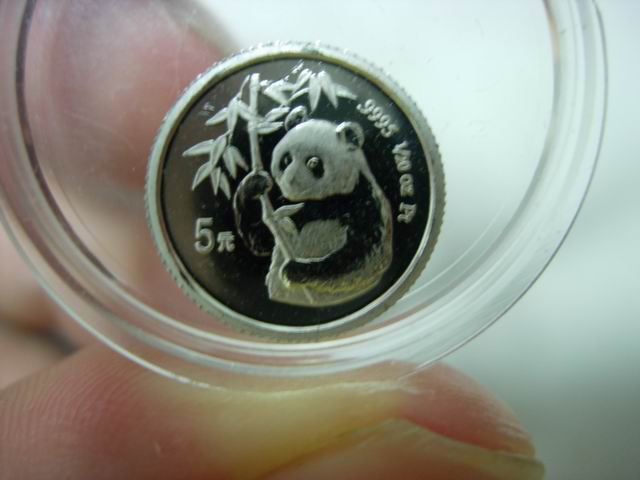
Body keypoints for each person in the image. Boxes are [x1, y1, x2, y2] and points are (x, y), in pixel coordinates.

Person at [0, 3, 543, 478]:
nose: (293, 179)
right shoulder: (309, 196)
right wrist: (258, 208)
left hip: (321, 277)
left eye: (311, 167)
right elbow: (271, 243)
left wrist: (284, 237)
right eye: (285, 164)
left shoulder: (358, 209)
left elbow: (321, 253)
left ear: (351, 144)